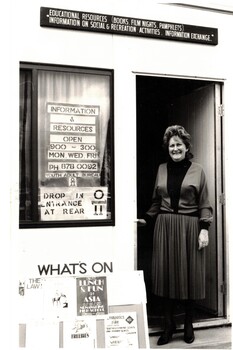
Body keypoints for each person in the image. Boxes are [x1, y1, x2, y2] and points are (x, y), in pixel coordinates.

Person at [139, 125, 213, 345]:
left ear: (186, 146)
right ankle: (168, 325)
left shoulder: (197, 170)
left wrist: (204, 230)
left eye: (179, 144)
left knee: (189, 275)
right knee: (166, 276)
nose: (175, 148)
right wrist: (147, 218)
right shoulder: (161, 169)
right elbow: (156, 201)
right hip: (165, 226)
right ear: (167, 148)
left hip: (190, 227)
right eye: (171, 145)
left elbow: (205, 204)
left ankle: (188, 324)